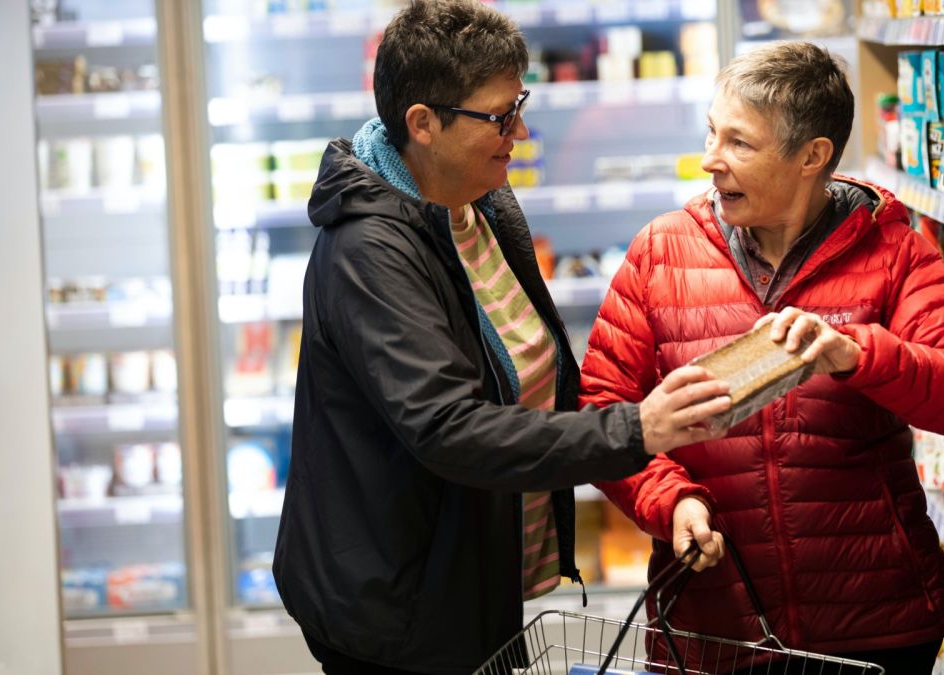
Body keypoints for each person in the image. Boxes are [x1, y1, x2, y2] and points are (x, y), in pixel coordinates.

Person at [271, 2, 732, 673]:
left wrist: (666, 489)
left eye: (519, 101)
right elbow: (452, 428)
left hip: (473, 577)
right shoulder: (368, 252)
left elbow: (534, 380)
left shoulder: (477, 200)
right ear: (422, 125)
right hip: (399, 615)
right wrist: (638, 429)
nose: (520, 128)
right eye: (498, 115)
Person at [580, 42, 944, 675]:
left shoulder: (890, 249)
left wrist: (856, 354)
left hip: (874, 623)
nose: (709, 161)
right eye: (711, 133)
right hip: (715, 623)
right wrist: (671, 500)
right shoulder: (660, 252)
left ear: (813, 156)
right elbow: (603, 412)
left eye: (739, 144)